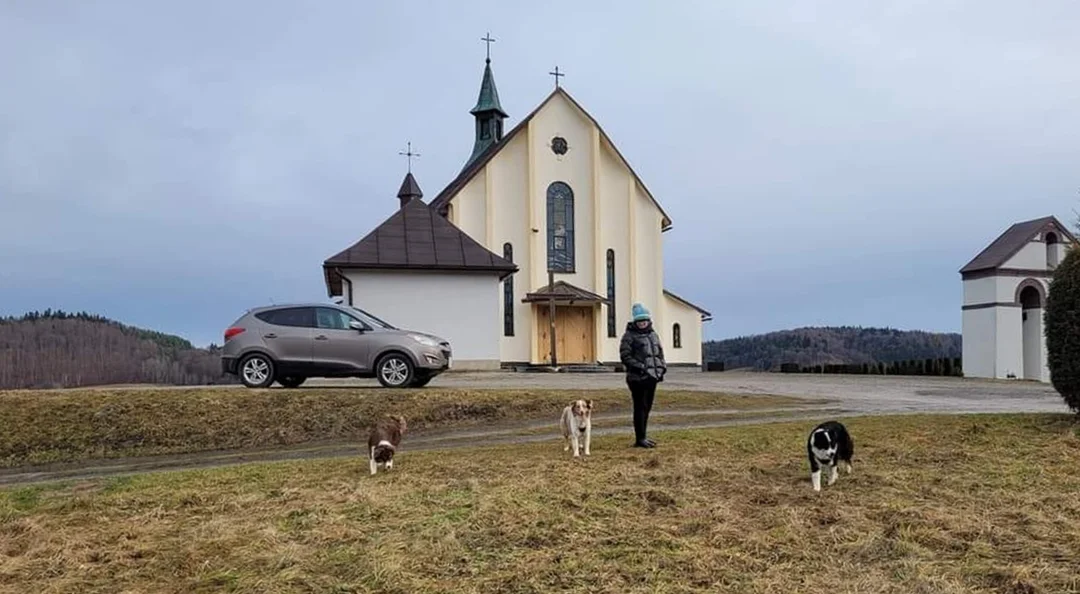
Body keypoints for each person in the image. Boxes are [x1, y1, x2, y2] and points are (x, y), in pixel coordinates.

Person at [619, 302, 667, 448]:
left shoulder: (653, 335)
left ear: (648, 320)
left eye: (644, 320)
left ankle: (643, 436)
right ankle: (640, 438)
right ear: (635, 322)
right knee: (640, 407)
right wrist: (641, 367)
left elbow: (659, 353)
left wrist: (662, 367)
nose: (642, 323)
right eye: (639, 321)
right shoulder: (629, 336)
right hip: (637, 379)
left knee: (647, 407)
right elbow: (625, 356)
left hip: (652, 378)